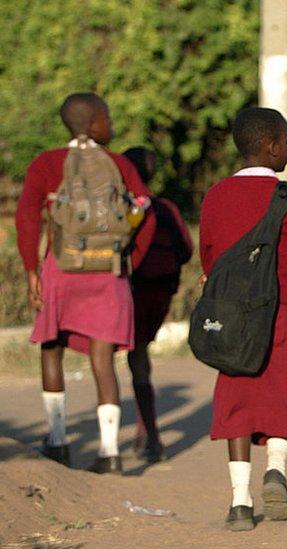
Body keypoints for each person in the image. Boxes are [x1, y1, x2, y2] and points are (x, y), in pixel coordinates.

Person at [15, 93, 155, 474]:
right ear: (93, 122)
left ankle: (58, 443)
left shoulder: (46, 163)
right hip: (107, 273)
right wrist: (126, 264)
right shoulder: (120, 164)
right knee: (103, 359)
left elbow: (27, 217)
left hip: (60, 270)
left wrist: (32, 270)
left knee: (50, 350)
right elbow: (146, 213)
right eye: (106, 117)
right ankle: (110, 452)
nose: (110, 124)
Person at [199, 107, 287, 531]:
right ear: (271, 147)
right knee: (282, 394)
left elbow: (210, 258)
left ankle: (239, 503)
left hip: (232, 315)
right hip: (282, 309)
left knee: (237, 401)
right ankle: (277, 471)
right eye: (285, 142)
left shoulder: (215, 196)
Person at [122, 147, 194, 464]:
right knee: (140, 355)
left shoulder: (125, 206)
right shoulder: (166, 207)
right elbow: (187, 249)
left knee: (134, 358)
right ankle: (144, 432)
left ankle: (149, 436)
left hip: (132, 290)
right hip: (161, 293)